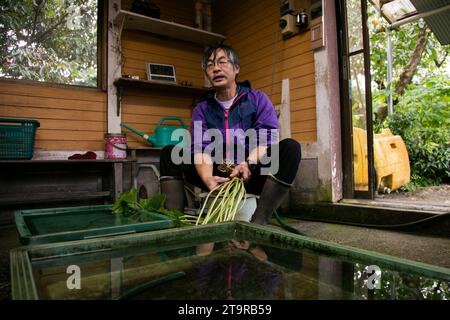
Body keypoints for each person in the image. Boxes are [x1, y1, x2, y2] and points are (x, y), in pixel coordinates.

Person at [159, 44, 301, 225]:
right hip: (219, 171)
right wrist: (208, 178)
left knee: (290, 148)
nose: (216, 68)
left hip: (251, 171)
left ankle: (259, 220)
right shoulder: (202, 109)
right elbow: (200, 148)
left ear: (236, 68)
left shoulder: (257, 99)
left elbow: (265, 140)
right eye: (210, 65)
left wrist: (247, 163)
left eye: (222, 62)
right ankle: (176, 222)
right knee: (170, 154)